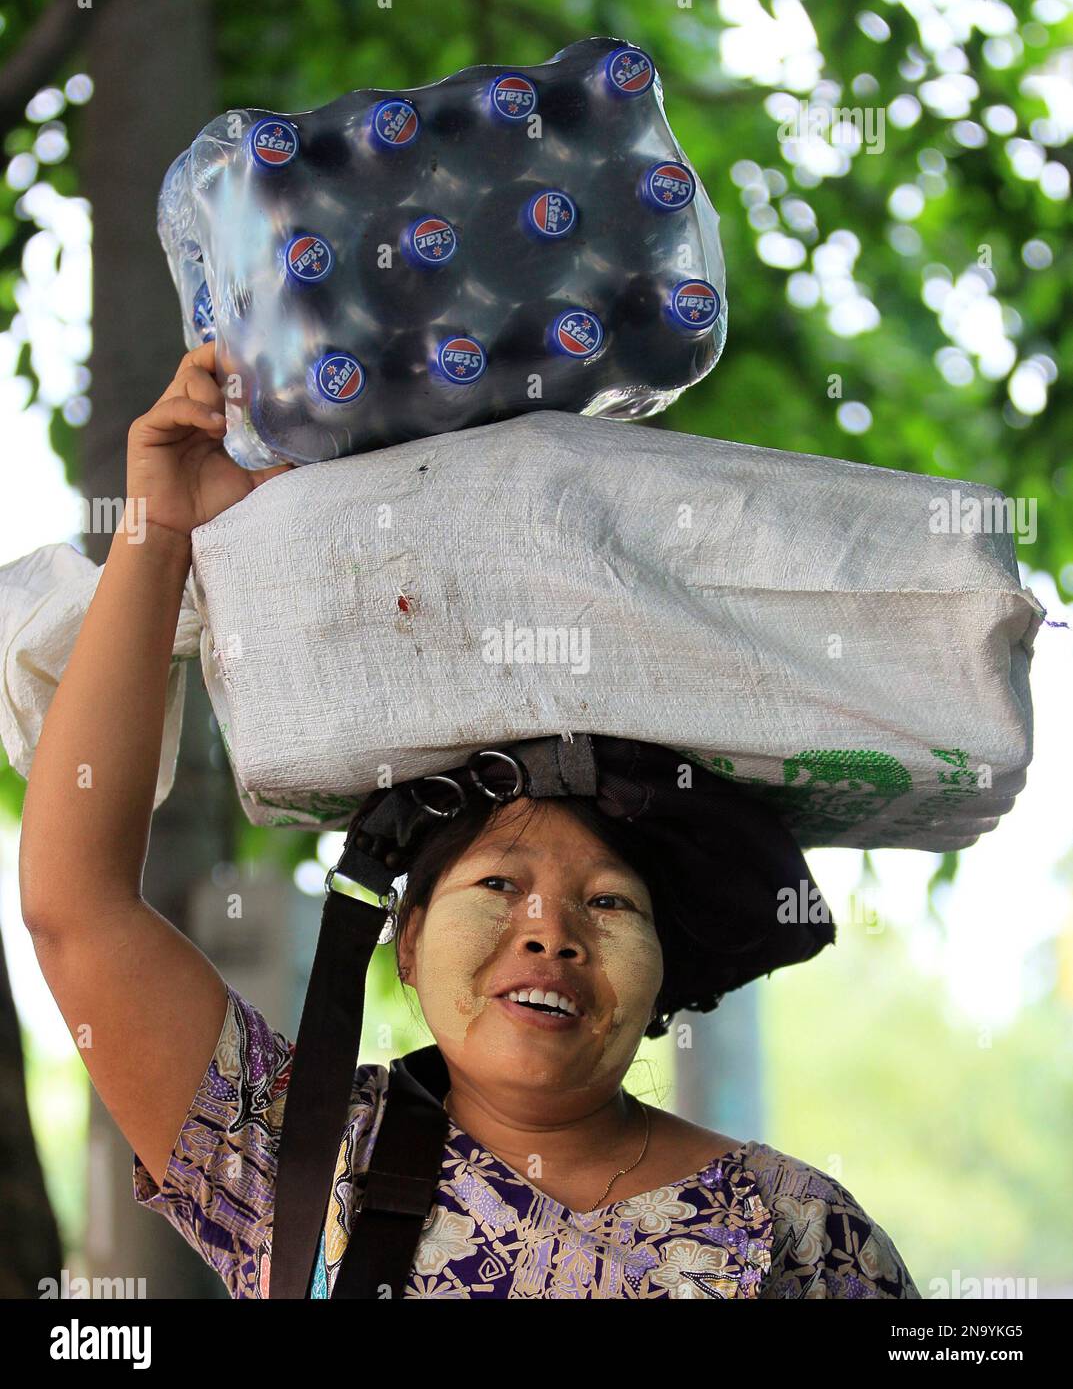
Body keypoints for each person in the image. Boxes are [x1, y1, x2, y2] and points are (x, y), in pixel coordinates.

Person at [19, 343, 920, 1301]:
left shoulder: (798, 1233)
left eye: (612, 905)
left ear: (664, 981)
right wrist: (157, 528)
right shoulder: (300, 1160)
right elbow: (76, 909)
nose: (551, 932)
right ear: (404, 940)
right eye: (497, 884)